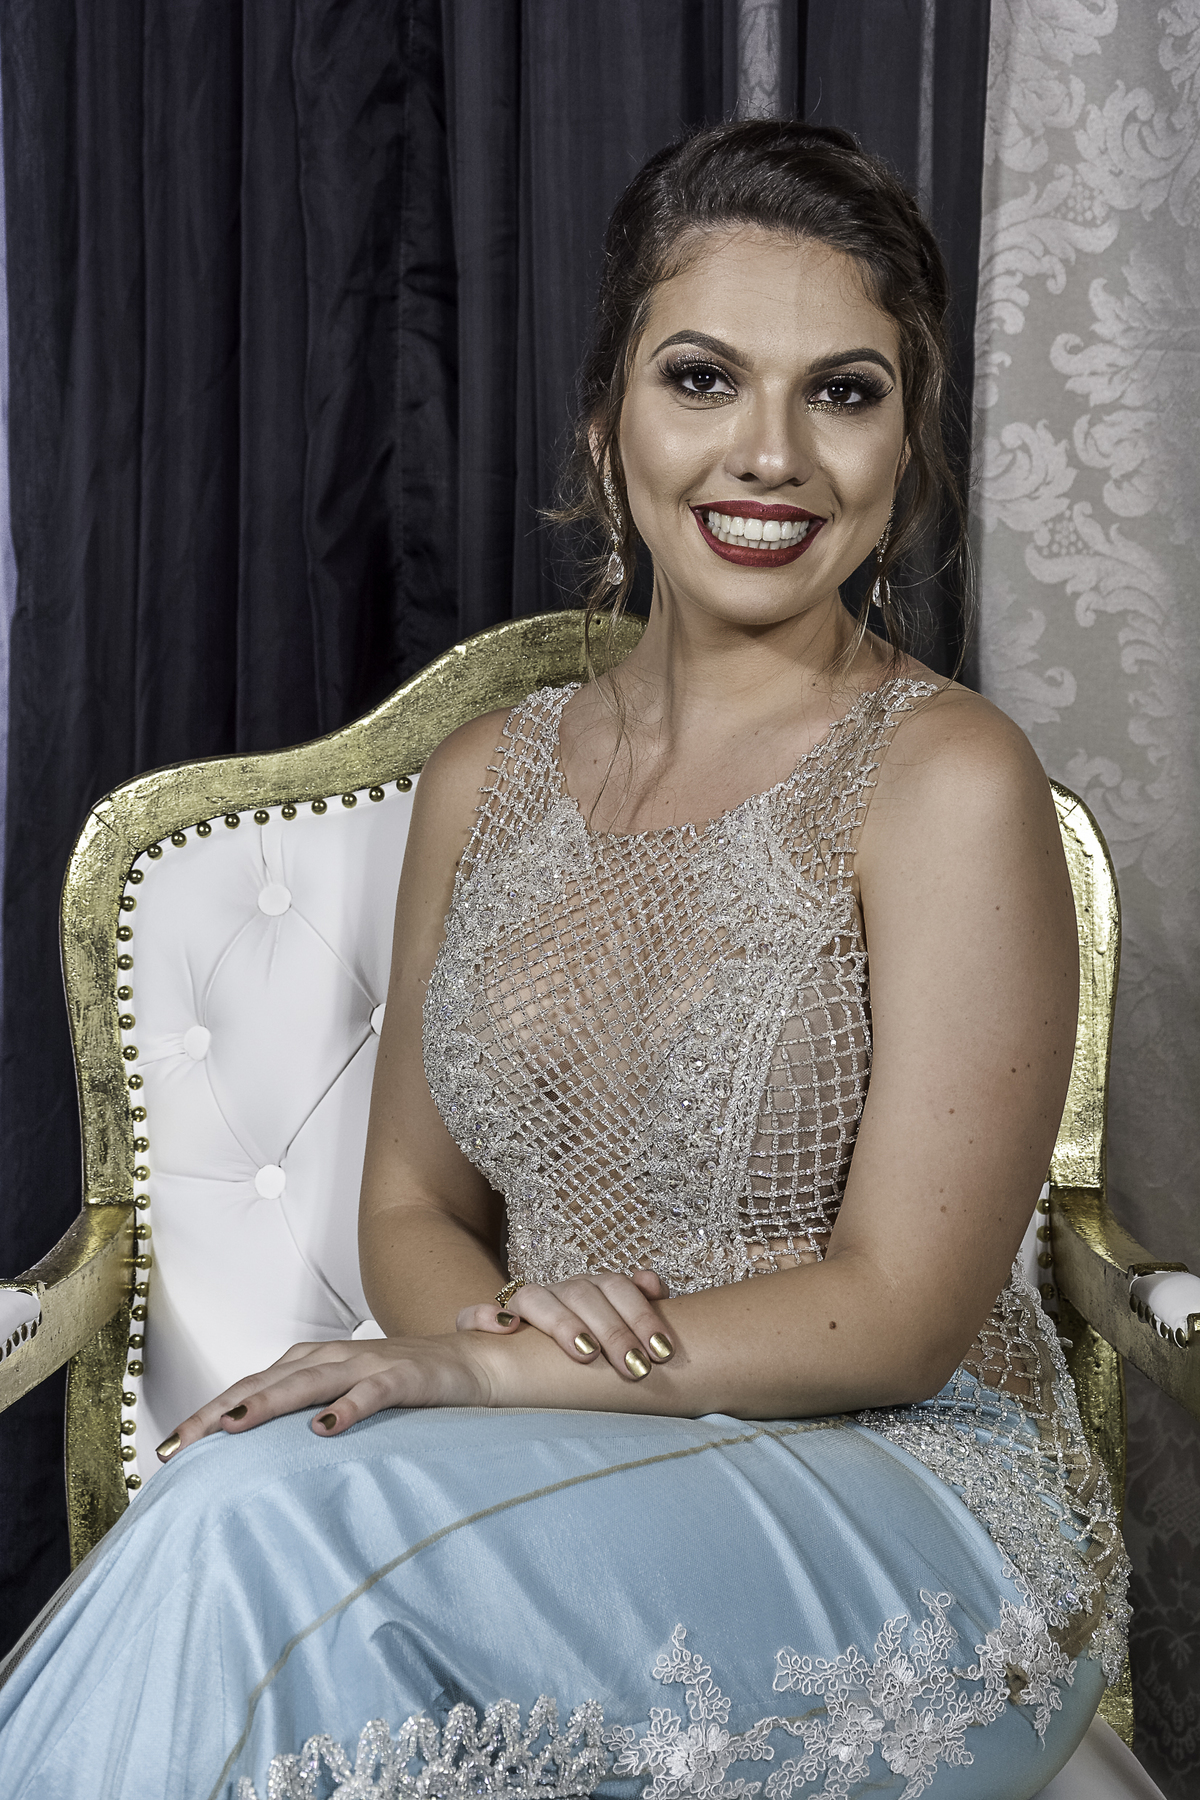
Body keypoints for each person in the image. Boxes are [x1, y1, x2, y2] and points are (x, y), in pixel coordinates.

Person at [0, 120, 1128, 1800]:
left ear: (907, 445)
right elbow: (411, 1204)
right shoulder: (488, 777)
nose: (771, 455)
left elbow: (901, 1318)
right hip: (558, 1461)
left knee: (245, 1521)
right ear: (609, 421)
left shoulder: (947, 777)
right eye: (703, 380)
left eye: (842, 392)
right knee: (250, 1540)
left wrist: (485, 1363)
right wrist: (494, 1336)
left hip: (907, 1511)